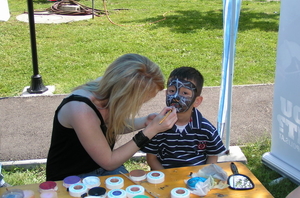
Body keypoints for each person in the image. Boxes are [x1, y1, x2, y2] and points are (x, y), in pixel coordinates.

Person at [46, 53, 177, 181]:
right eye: (140, 101)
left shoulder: (109, 91)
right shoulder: (81, 110)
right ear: (125, 94)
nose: (139, 105)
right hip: (69, 178)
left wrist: (145, 122)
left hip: (100, 168)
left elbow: (107, 126)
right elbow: (109, 162)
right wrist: (150, 131)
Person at [141, 67, 226, 170]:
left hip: (197, 180)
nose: (176, 97)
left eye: (185, 93)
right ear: (166, 93)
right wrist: (166, 179)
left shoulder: (206, 129)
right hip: (166, 179)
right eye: (172, 91)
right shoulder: (158, 127)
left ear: (197, 101)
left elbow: (212, 156)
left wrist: (204, 176)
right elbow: (151, 158)